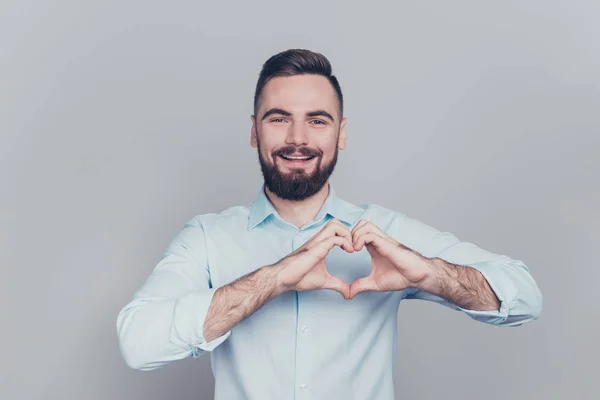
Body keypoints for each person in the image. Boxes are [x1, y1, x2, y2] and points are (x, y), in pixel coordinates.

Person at [116, 49, 543, 399]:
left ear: (340, 133)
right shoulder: (208, 238)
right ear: (254, 131)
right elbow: (138, 344)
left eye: (317, 121)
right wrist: (275, 278)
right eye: (278, 118)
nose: (297, 138)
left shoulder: (383, 233)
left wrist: (431, 273)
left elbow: (523, 297)